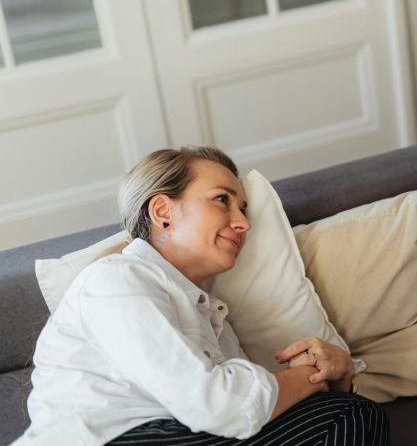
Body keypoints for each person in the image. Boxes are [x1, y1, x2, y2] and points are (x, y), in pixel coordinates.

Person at [15, 147, 389, 445]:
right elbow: (224, 406)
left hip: (183, 435)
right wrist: (310, 374)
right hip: (111, 438)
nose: (243, 223)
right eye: (222, 200)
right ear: (163, 212)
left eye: (243, 209)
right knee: (351, 415)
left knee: (350, 413)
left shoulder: (216, 323)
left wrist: (336, 374)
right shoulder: (114, 280)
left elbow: (257, 417)